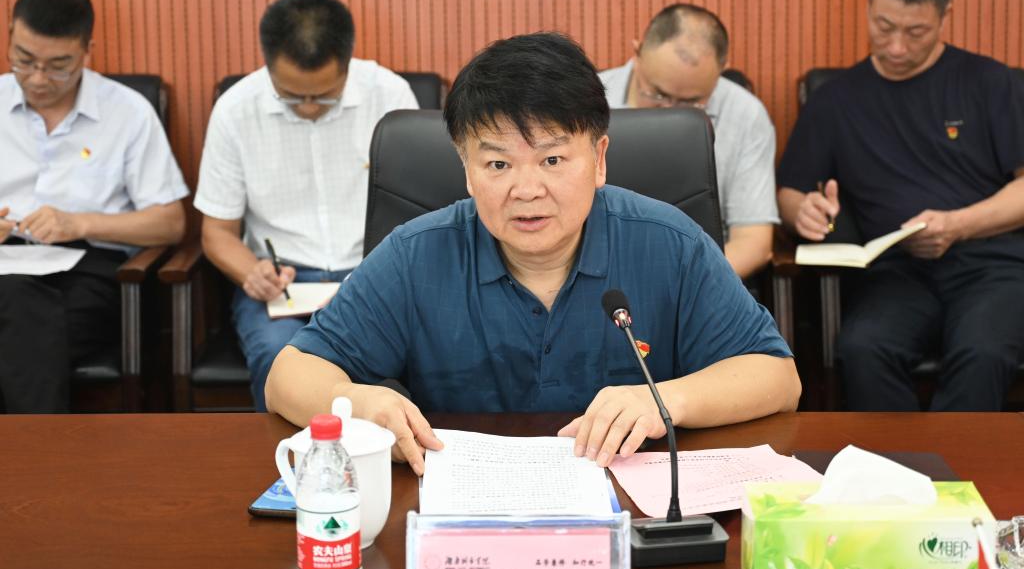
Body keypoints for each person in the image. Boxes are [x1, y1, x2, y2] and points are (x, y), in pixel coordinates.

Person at [265, 32, 800, 475]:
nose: (526, 190)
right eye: (498, 165)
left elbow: (777, 379)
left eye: (552, 160)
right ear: (466, 168)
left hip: (634, 508)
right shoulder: (415, 254)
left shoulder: (669, 243)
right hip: (464, 506)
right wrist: (358, 404)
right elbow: (288, 376)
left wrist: (664, 400)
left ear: (599, 159)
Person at [777, 0, 1024, 411]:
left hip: (993, 266)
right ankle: (895, 459)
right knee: (863, 347)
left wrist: (958, 225)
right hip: (895, 271)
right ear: (869, 4)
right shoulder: (835, 100)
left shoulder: (991, 81)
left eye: (916, 33)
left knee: (983, 352)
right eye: (883, 26)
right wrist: (803, 211)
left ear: (945, 15)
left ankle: (954, 460)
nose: (895, 47)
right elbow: (791, 191)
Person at [194, 0, 418, 411]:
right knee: (279, 360)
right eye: (292, 96)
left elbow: (418, 214)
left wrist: (374, 276)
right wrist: (251, 273)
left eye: (325, 96)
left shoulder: (389, 96)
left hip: (374, 275)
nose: (310, 108)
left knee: (394, 363)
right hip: (282, 286)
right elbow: (216, 232)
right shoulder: (235, 110)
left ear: (347, 64)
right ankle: (289, 456)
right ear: (268, 65)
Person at [0, 0, 188, 412]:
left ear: (87, 51)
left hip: (86, 273)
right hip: (5, 263)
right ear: (9, 36)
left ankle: (30, 451)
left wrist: (79, 222)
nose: (38, 79)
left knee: (19, 311)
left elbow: (170, 223)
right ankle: (41, 453)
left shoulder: (127, 112)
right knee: (16, 310)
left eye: (58, 66)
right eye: (23, 61)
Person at [599, 4, 779, 279]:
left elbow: (753, 243)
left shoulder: (745, 113)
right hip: (601, 274)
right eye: (658, 94)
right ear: (637, 53)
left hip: (705, 277)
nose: (670, 111)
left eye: (690, 102)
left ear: (720, 71)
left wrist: (685, 288)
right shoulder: (584, 102)